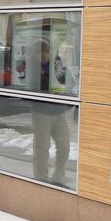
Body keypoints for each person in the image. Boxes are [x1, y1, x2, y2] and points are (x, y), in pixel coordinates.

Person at [28, 37, 71, 185]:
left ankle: (58, 176)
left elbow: (67, 80)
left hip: (59, 110)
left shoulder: (57, 63)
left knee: (64, 145)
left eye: (46, 52)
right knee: (41, 147)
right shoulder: (31, 67)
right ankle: (41, 179)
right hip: (41, 112)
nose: (43, 56)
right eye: (40, 54)